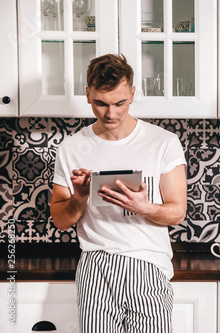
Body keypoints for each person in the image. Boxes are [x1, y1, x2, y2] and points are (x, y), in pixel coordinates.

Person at [50, 54, 187, 332]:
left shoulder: (164, 142)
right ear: (88, 94)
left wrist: (144, 207)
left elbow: (177, 212)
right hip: (96, 266)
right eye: (100, 103)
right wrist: (79, 197)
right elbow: (61, 221)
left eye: (119, 103)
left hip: (148, 264)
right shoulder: (71, 148)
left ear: (133, 94)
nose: (110, 113)